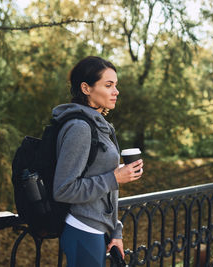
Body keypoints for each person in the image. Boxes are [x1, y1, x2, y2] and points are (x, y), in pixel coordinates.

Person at [52, 56, 143, 267]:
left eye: (116, 85)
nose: (116, 91)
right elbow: (64, 189)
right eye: (108, 85)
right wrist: (114, 177)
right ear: (86, 88)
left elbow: (103, 181)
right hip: (82, 229)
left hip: (98, 230)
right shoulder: (80, 128)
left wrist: (115, 230)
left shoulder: (101, 126)